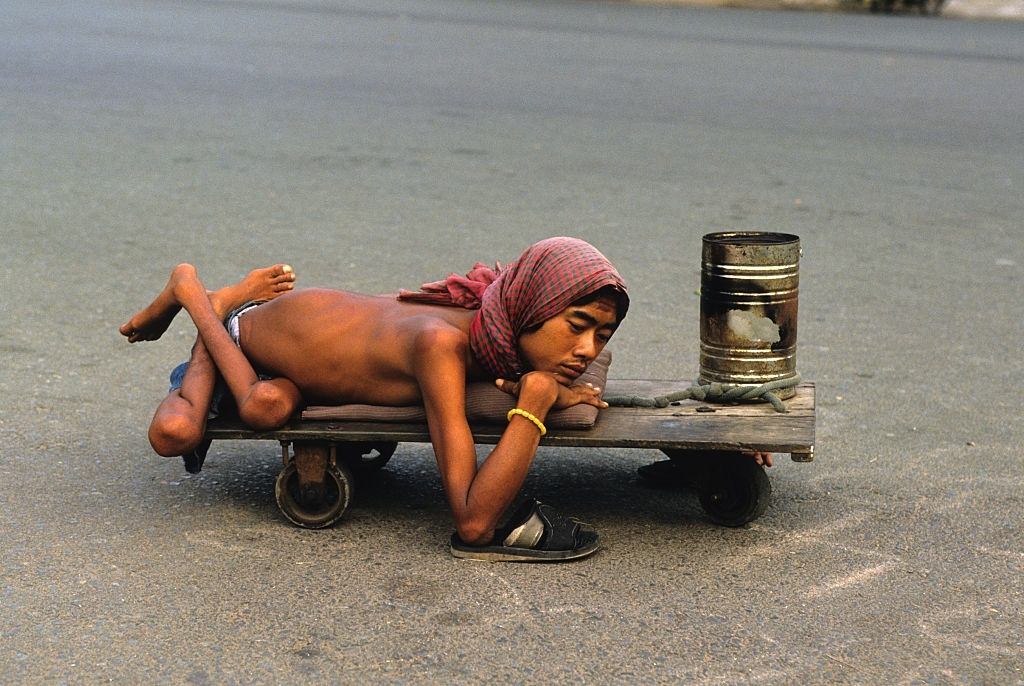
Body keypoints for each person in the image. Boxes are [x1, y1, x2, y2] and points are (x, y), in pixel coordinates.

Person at [121, 238, 629, 562]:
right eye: (577, 327)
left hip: (310, 345)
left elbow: (505, 374)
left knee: (273, 402)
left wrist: (532, 382)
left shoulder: (497, 327)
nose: (586, 351)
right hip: (246, 339)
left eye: (602, 336)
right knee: (181, 432)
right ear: (533, 309)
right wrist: (535, 405)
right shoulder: (441, 344)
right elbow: (474, 524)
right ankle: (200, 295)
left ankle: (219, 300)